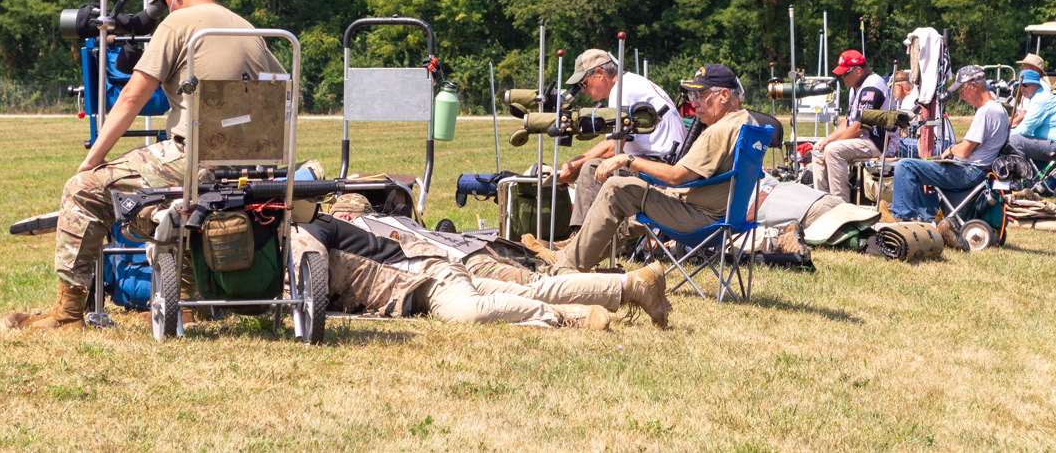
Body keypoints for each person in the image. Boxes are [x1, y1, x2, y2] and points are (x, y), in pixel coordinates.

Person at [7, 0, 285, 331]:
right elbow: (282, 93)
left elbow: (132, 97)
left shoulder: (178, 24)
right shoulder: (247, 28)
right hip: (257, 167)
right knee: (181, 204)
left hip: (195, 159)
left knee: (83, 190)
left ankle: (68, 314)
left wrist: (93, 160)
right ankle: (186, 303)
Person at [290, 207, 672, 330]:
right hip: (424, 278)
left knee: (467, 312)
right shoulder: (309, 229)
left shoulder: (310, 231)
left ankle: (566, 318)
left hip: (427, 276)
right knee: (529, 290)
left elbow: (312, 279)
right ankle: (631, 285)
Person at [553, 64, 757, 273]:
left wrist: (627, 159)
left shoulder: (719, 131)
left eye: (700, 95)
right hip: (728, 217)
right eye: (692, 95)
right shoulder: (748, 122)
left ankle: (567, 266)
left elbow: (676, 176)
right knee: (627, 191)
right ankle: (573, 253)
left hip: (701, 219)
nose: (694, 103)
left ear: (723, 95)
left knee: (617, 187)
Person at [557, 48, 684, 228]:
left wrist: (575, 165)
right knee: (593, 165)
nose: (584, 91)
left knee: (590, 169)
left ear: (600, 73)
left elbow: (613, 149)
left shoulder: (622, 90)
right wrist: (576, 162)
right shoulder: (630, 83)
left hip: (660, 167)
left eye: (584, 84)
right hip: (661, 163)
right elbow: (614, 142)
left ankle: (580, 242)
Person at [889, 66, 1008, 241]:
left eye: (962, 90)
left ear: (972, 86)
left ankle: (902, 219)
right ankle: (926, 218)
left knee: (905, 165)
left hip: (969, 171)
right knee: (923, 165)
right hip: (980, 170)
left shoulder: (986, 111)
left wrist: (951, 150)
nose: (960, 96)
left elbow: (965, 151)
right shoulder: (1000, 109)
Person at [809, 49, 888, 199]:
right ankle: (823, 201)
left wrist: (832, 143)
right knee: (818, 149)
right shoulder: (855, 88)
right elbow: (847, 122)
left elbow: (858, 127)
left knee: (833, 150)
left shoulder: (872, 87)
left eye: (844, 74)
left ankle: (840, 204)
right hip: (862, 139)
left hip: (877, 142)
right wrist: (827, 140)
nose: (841, 78)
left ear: (858, 71)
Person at [1008, 64, 1056, 166]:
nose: (1021, 88)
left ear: (1036, 85)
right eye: (1020, 85)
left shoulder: (1040, 99)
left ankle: (1022, 174)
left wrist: (1004, 135)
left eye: (1025, 85)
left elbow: (1025, 129)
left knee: (1013, 140)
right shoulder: (1038, 97)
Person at [883, 70, 919, 158]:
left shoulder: (910, 101)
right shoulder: (913, 96)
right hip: (921, 141)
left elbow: (905, 131)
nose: (891, 93)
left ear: (899, 86)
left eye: (892, 88)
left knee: (888, 144)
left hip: (924, 143)